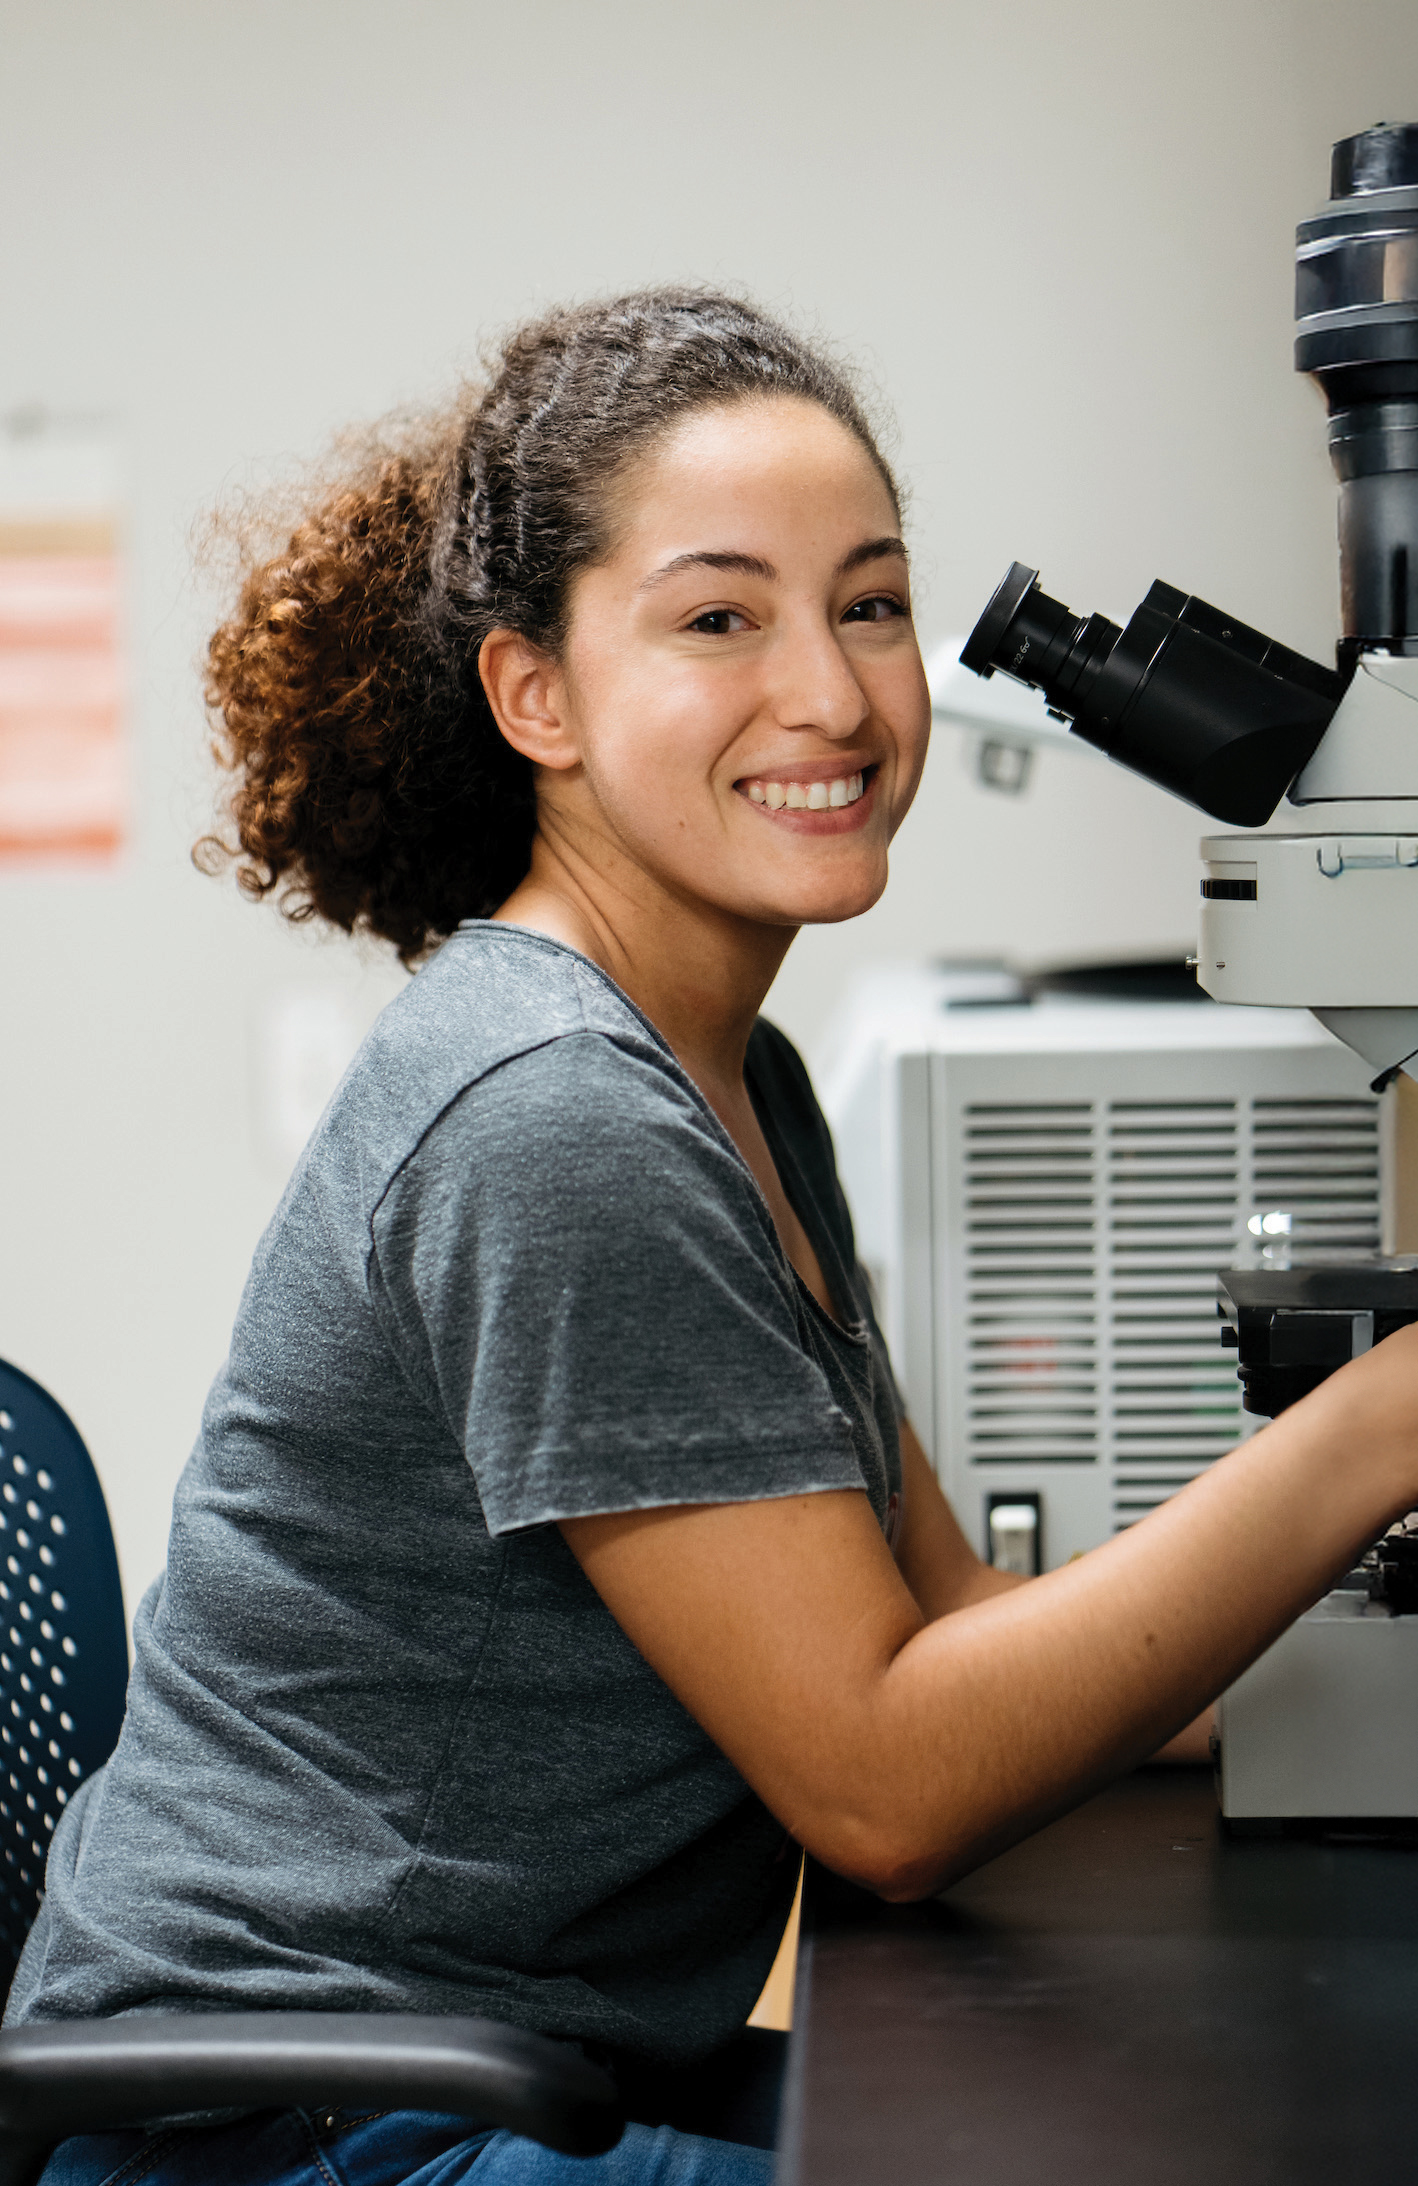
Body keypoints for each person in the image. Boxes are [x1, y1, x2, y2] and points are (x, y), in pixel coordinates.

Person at [11, 288, 1418, 2186]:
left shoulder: (727, 1071)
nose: (831, 696)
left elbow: (934, 1627)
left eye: (868, 601)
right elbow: (887, 1789)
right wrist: (1384, 1420)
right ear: (536, 697)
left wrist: (1339, 1703)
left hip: (485, 2073)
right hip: (301, 2131)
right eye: (717, 617)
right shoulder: (556, 1115)